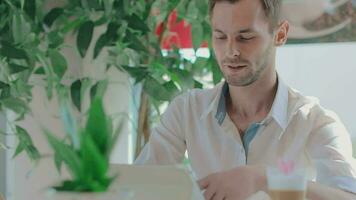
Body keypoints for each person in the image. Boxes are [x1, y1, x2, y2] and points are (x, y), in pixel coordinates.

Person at [135, 0, 356, 199]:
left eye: (245, 37)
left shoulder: (315, 121)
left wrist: (265, 179)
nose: (231, 51)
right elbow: (138, 186)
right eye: (220, 36)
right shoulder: (186, 111)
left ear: (280, 34)